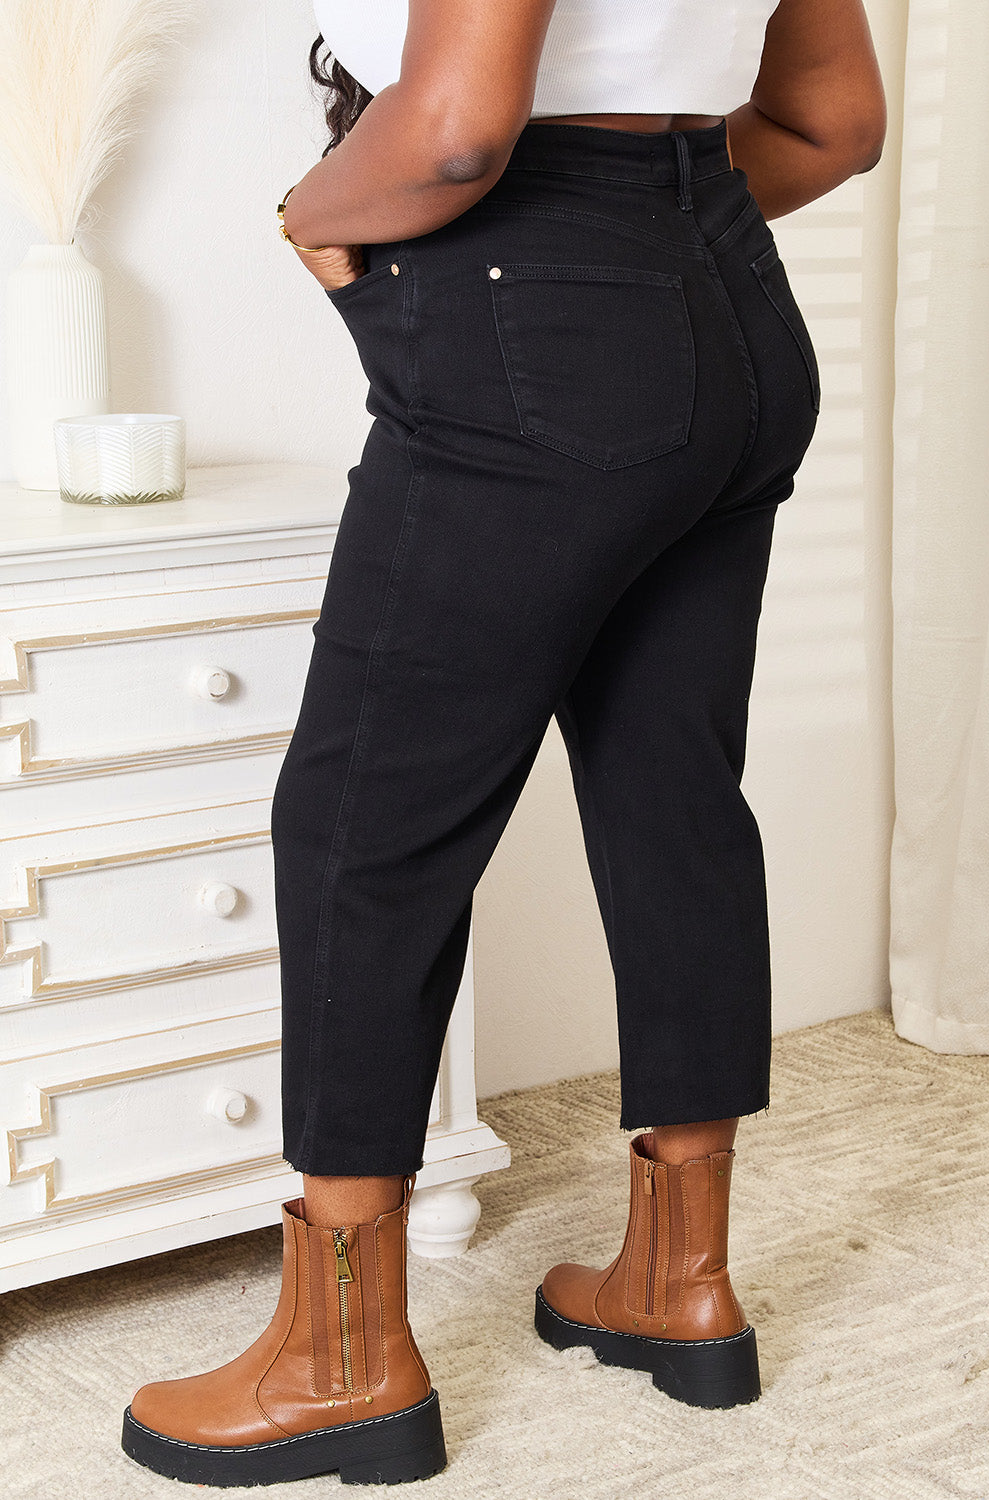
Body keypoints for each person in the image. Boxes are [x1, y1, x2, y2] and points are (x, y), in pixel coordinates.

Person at [121, 0, 886, 1487]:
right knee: (675, 790)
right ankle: (678, 1284)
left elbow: (462, 124)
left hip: (525, 297)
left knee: (364, 824)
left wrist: (316, 209)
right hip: (731, 298)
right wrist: (646, 231)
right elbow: (833, 122)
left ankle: (338, 1357)